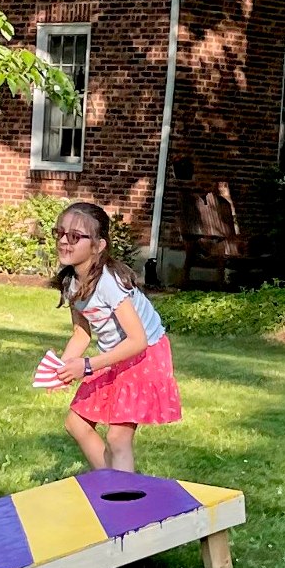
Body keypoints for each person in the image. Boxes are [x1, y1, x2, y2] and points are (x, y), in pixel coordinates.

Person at [50, 201, 181, 473]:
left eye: (75, 236)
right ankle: (114, 483)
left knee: (117, 437)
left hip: (145, 354)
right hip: (116, 354)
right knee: (76, 423)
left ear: (98, 246)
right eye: (60, 233)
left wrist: (86, 366)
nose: (64, 241)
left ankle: (125, 503)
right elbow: (81, 334)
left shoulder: (109, 282)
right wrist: (61, 369)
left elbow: (138, 341)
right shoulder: (70, 281)